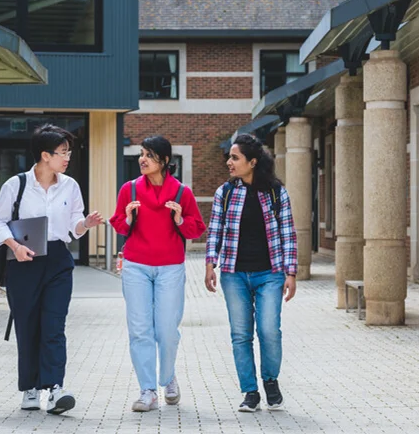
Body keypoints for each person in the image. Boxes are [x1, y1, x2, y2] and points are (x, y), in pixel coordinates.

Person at [0, 124, 104, 415]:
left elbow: (73, 227)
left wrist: (86, 224)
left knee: (54, 326)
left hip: (57, 260)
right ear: (44, 155)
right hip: (24, 260)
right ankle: (29, 388)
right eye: (62, 152)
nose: (67, 158)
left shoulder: (70, 186)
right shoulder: (16, 185)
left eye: (68, 152)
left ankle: (54, 389)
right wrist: (15, 247)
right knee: (27, 326)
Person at [109, 136, 206, 412]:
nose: (143, 159)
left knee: (166, 330)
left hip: (170, 268)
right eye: (141, 154)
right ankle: (148, 390)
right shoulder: (129, 190)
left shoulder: (181, 193)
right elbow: (119, 225)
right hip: (136, 267)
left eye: (149, 155)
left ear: (164, 161)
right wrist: (127, 217)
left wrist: (180, 220)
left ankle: (168, 377)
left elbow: (196, 228)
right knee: (140, 330)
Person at [204, 133, 298, 413]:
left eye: (235, 157)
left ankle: (270, 380)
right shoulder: (226, 192)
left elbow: (288, 233)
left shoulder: (275, 192)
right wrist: (210, 263)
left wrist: (290, 273)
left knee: (269, 330)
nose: (229, 162)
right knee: (240, 334)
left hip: (270, 273)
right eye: (229, 157)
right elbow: (216, 230)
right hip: (234, 273)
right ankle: (250, 391)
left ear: (252, 162)